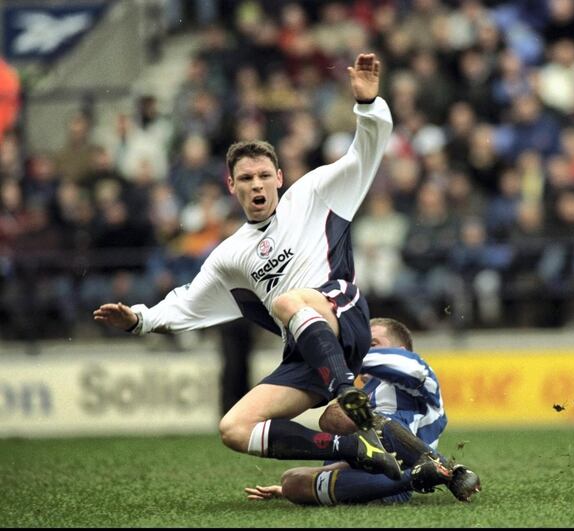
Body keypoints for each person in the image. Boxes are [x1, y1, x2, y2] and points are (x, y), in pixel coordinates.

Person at [93, 53, 401, 480]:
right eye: (245, 178)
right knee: (233, 428)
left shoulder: (313, 194)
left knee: (288, 302)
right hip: (307, 352)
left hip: (342, 311)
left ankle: (345, 390)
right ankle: (355, 447)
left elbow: (365, 154)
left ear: (279, 177)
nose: (256, 184)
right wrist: (138, 320)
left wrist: (367, 106)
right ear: (231, 185)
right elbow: (186, 304)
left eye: (262, 175)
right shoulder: (230, 255)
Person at [244, 317, 481, 505]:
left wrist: (330, 357)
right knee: (291, 482)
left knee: (344, 414)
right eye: (361, 345)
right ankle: (425, 477)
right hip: (369, 477)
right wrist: (310, 482)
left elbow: (408, 367)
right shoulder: (357, 392)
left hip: (402, 466)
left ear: (400, 350)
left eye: (373, 344)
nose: (364, 350)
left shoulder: (418, 379)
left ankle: (439, 470)